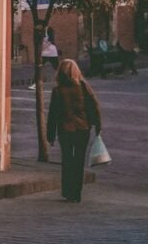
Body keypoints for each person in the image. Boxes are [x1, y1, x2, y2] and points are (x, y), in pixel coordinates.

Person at [47, 59, 102, 203]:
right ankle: (76, 193)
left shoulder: (57, 91)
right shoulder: (83, 87)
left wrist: (50, 135)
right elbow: (94, 106)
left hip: (65, 130)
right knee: (79, 161)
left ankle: (67, 191)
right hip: (82, 128)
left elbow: (53, 114)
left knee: (67, 160)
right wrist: (97, 126)